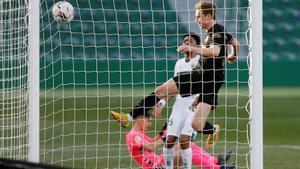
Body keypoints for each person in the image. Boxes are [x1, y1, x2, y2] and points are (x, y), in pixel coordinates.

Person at [112, 1, 239, 136]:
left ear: (208, 16)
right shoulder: (216, 31)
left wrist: (192, 48)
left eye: (199, 16)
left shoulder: (217, 32)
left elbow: (214, 51)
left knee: (196, 125)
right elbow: (235, 42)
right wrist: (233, 54)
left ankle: (213, 130)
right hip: (203, 76)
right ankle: (128, 117)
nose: (197, 20)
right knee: (160, 91)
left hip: (207, 80)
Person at [148, 33, 219, 169]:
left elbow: (209, 84)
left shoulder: (202, 61)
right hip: (179, 105)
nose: (186, 43)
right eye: (184, 41)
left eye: (189, 41)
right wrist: (161, 103)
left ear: (197, 45)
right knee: (169, 140)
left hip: (195, 106)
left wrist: (200, 98)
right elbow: (174, 87)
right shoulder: (179, 64)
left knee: (184, 139)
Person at [126, 113, 235, 169]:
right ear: (139, 119)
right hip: (155, 166)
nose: (150, 124)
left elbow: (153, 142)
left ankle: (216, 160)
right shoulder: (133, 136)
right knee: (185, 151)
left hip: (159, 161)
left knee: (187, 144)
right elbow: (151, 147)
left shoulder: (139, 135)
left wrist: (163, 133)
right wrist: (166, 135)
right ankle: (216, 168)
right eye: (148, 121)